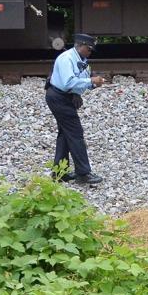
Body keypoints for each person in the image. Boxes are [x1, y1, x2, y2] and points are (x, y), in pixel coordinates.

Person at [45, 33, 105, 185]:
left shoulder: (82, 60)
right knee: (75, 133)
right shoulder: (66, 59)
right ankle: (83, 173)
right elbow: (68, 83)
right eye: (89, 49)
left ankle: (60, 173)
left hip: (66, 97)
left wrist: (91, 85)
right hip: (58, 97)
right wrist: (90, 80)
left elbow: (78, 82)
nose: (90, 52)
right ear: (80, 45)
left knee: (65, 134)